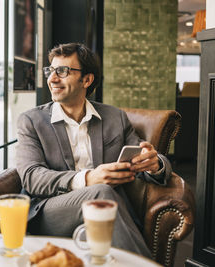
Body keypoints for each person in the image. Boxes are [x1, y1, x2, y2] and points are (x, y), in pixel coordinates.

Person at [16, 43, 172, 258]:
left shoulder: (115, 118)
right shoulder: (31, 121)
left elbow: (140, 156)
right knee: (102, 193)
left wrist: (154, 164)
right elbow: (31, 177)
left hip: (109, 210)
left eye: (62, 71)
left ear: (87, 80)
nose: (52, 79)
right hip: (50, 210)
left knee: (103, 195)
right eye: (50, 71)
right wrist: (88, 178)